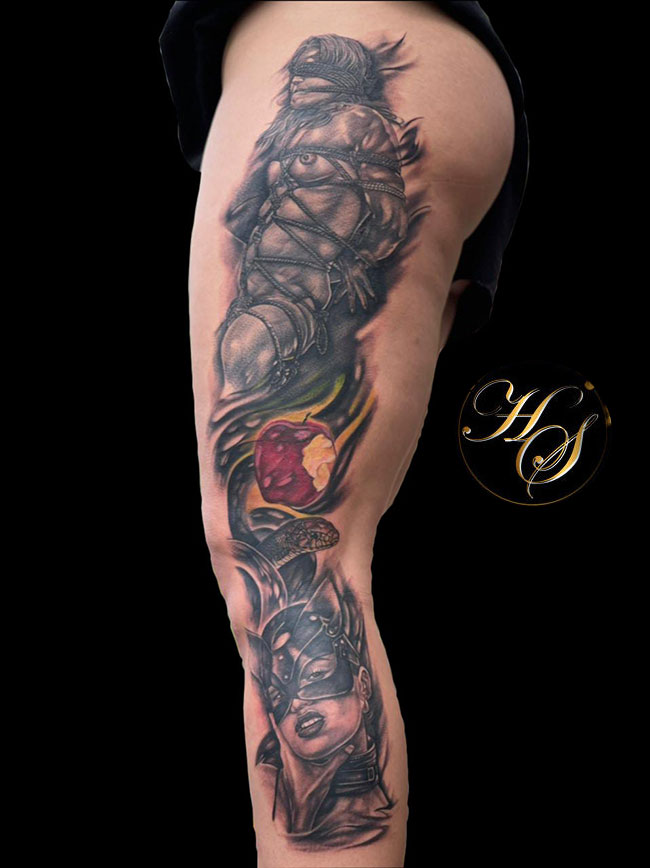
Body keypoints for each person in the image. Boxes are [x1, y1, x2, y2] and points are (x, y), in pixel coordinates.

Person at [160, 2, 529, 864]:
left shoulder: (332, 117)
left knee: (285, 548)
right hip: (397, 71)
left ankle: (338, 816)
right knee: (292, 548)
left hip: (351, 13)